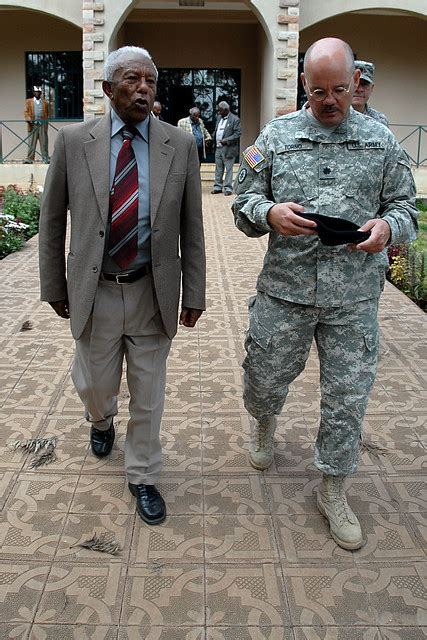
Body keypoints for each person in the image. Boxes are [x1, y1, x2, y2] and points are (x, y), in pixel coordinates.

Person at [232, 37, 418, 551]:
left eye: (340, 89)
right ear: (303, 87)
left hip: (353, 299)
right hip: (284, 292)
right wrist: (268, 214)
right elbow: (243, 200)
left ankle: (334, 488)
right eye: (319, 92)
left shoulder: (381, 141)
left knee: (346, 399)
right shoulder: (274, 137)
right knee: (263, 378)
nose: (331, 100)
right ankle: (264, 423)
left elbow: (408, 209)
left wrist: (387, 228)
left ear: (356, 82)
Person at [39, 46, 206, 526]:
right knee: (94, 383)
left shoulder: (180, 143)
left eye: (151, 81)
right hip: (97, 291)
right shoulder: (74, 142)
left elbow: (192, 228)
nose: (144, 90)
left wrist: (193, 292)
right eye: (133, 80)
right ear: (109, 88)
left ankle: (143, 476)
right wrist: (54, 283)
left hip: (153, 289)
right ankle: (100, 419)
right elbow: (52, 222)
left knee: (149, 394)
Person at [211, 101, 241, 196]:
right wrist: (211, 138)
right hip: (218, 148)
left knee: (228, 169)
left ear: (226, 110)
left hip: (228, 149)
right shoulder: (219, 118)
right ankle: (217, 187)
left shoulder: (235, 119)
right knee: (218, 168)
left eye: (220, 111)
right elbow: (216, 131)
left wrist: (226, 140)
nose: (219, 113)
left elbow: (238, 134)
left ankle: (228, 188)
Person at [352, 60, 389, 126]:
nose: (359, 89)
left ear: (371, 88)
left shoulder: (380, 120)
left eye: (364, 84)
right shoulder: (334, 116)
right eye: (355, 83)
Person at [23, 85, 50, 163]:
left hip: (42, 124)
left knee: (44, 142)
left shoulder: (44, 102)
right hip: (32, 125)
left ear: (41, 93)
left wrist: (45, 122)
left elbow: (46, 113)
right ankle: (29, 159)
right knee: (31, 142)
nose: (37, 93)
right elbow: (25, 112)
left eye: (39, 92)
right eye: (36, 92)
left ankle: (45, 158)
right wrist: (29, 119)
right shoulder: (28, 101)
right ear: (33, 93)